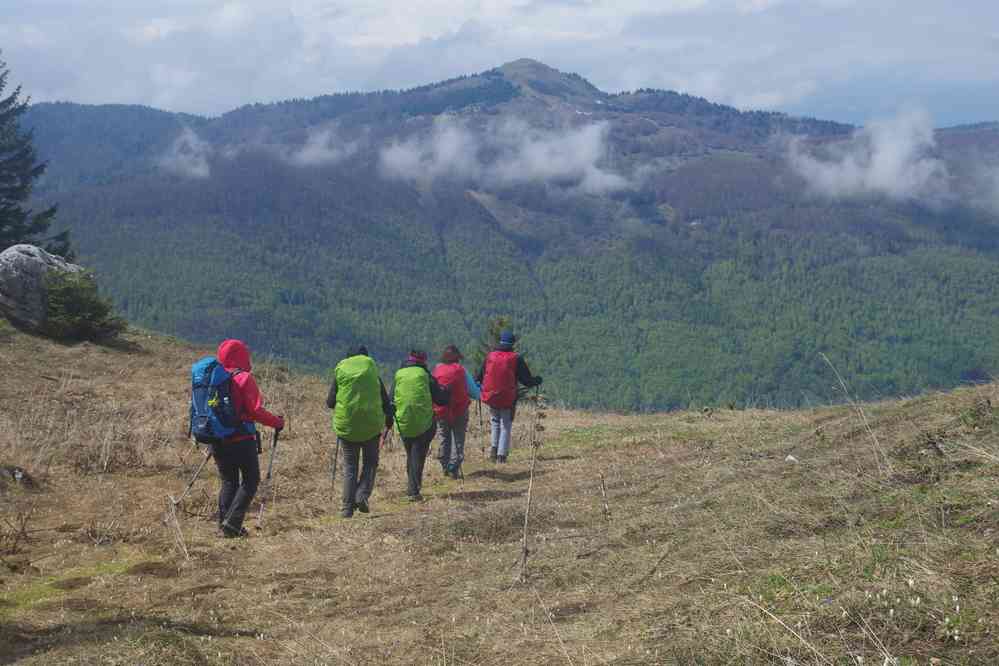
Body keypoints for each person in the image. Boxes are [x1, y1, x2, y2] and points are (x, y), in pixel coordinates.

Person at [213, 339, 285, 538]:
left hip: (217, 439)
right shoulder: (244, 378)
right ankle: (232, 524)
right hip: (241, 439)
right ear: (241, 355)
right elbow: (255, 411)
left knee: (229, 482)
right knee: (251, 480)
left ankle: (224, 525)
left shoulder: (215, 377)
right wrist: (277, 423)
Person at [326, 345, 394, 517]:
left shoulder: (340, 374)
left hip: (347, 428)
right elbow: (386, 403)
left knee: (350, 467)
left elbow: (330, 402)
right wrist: (389, 420)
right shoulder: (373, 377)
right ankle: (361, 495)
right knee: (370, 463)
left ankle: (346, 509)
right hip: (371, 427)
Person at [477, 330, 542, 463]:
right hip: (507, 397)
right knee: (505, 424)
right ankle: (502, 456)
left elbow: (480, 376)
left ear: (500, 341)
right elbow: (526, 380)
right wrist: (538, 380)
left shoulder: (490, 356)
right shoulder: (516, 358)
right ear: (513, 343)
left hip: (491, 395)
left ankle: (493, 452)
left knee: (495, 421)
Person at [393, 350, 450, 501]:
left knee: (411, 454)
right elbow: (441, 400)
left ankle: (412, 488)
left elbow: (391, 398)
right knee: (417, 455)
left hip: (403, 422)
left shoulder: (399, 374)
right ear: (423, 361)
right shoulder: (425, 376)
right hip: (423, 424)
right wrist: (447, 391)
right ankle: (413, 492)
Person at [433, 344, 480, 479]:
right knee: (458, 439)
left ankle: (444, 465)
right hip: (459, 410)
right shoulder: (461, 371)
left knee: (444, 438)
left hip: (441, 411)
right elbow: (474, 393)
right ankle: (454, 467)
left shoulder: (437, 370)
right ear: (457, 358)